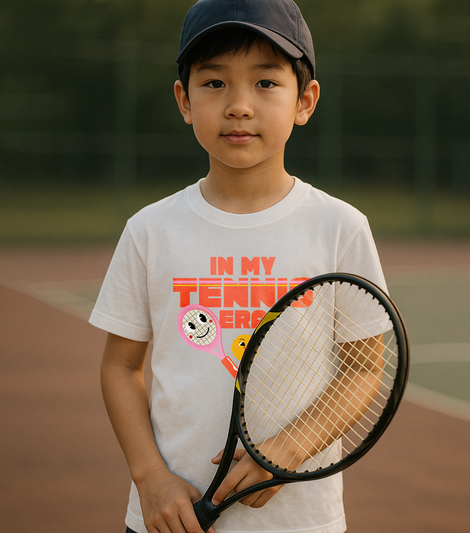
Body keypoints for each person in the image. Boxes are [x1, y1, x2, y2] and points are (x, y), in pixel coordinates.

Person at [90, 1, 388, 532]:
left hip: (302, 522)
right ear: (184, 100)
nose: (239, 106)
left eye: (266, 83)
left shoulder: (340, 227)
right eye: (214, 83)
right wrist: (150, 477)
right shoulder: (150, 230)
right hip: (167, 517)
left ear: (306, 100)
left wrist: (289, 448)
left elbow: (364, 368)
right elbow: (120, 366)